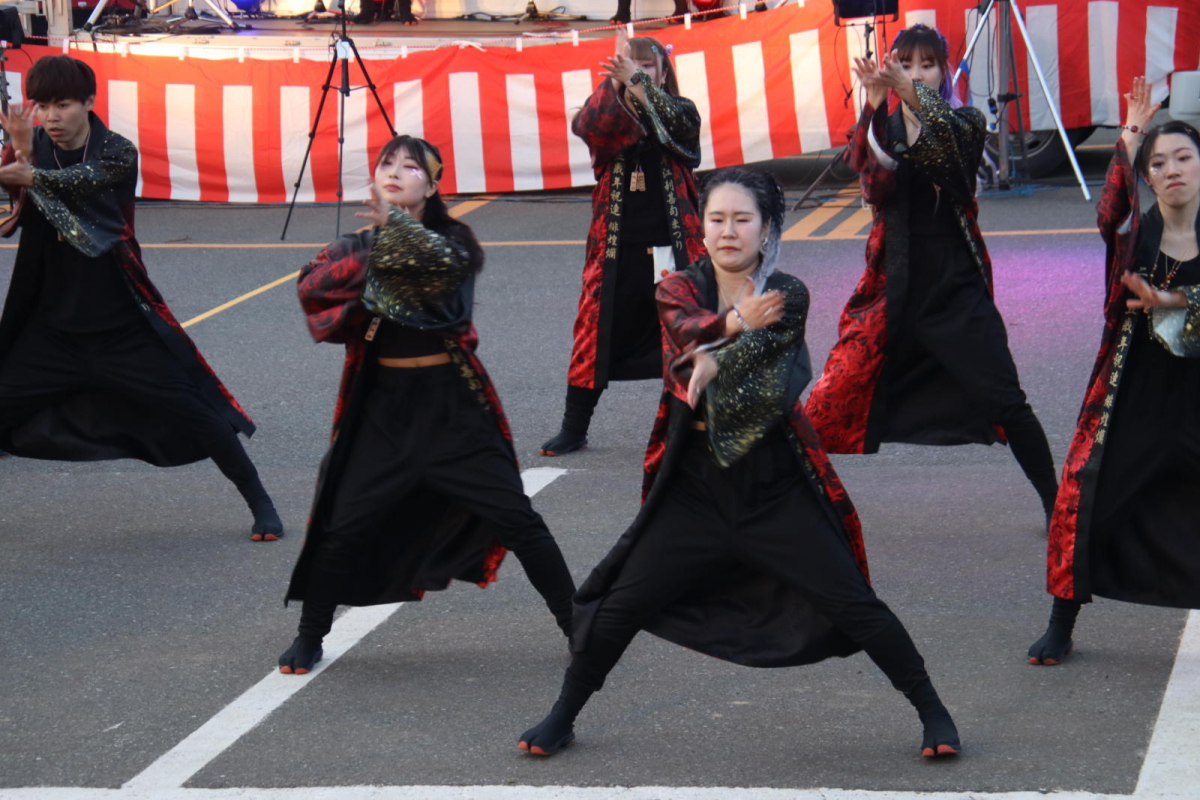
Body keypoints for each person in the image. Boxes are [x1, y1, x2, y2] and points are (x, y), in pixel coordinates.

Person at [518, 168, 961, 759]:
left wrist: (717, 360)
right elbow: (682, 338)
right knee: (619, 606)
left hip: (773, 485)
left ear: (766, 228)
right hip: (695, 489)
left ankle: (932, 711)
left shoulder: (789, 292)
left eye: (742, 219)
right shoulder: (677, 286)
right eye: (717, 219)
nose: (728, 231)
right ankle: (563, 715)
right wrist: (718, 336)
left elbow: (767, 366)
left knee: (854, 602)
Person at [277, 135, 576, 675]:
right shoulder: (357, 244)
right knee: (341, 522)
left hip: (453, 406)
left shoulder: (454, 240)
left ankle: (579, 625)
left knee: (517, 518)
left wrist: (394, 241)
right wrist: (382, 249)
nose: (394, 172)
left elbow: (442, 281)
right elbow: (313, 289)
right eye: (386, 164)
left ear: (433, 186)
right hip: (383, 409)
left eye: (410, 167)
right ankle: (310, 633)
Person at [0, 55, 283, 541]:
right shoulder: (34, 150)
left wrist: (32, 172)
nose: (51, 116)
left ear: (89, 103)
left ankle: (260, 501)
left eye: (63, 104)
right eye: (42, 105)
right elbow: (21, 208)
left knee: (198, 412)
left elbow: (79, 187)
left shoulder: (116, 151)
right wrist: (19, 157)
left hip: (119, 327)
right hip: (52, 330)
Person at [803, 25, 1059, 524]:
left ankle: (1059, 506)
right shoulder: (887, 124)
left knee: (1006, 399)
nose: (916, 74)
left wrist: (907, 95)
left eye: (927, 65)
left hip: (954, 284)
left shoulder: (964, 120)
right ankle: (788, 509)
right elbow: (872, 185)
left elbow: (947, 153)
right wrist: (874, 107)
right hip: (894, 286)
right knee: (829, 401)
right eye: (907, 63)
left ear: (945, 70)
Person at [1028, 80, 1200, 665]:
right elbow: (1110, 212)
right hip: (1135, 393)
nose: (1172, 169)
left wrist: (1182, 304)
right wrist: (1130, 131)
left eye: (1183, 157)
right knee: (1091, 500)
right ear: (1148, 177)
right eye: (1159, 163)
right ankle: (1061, 619)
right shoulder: (1136, 235)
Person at [540, 35, 705, 456]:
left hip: (674, 246)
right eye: (631, 66)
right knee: (594, 333)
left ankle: (695, 424)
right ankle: (574, 426)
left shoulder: (681, 110)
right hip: (617, 248)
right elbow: (587, 127)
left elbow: (679, 132)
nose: (639, 73)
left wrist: (639, 85)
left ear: (664, 72)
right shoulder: (607, 113)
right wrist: (616, 87)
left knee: (687, 333)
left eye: (648, 67)